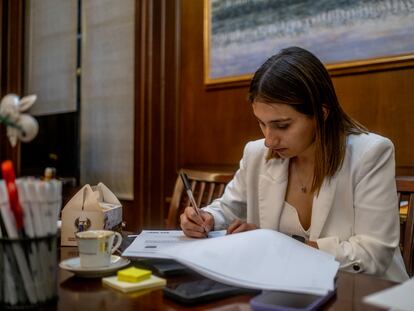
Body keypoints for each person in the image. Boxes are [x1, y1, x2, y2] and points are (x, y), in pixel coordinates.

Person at [180, 46, 408, 282]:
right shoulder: (256, 153)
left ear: (321, 113)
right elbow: (227, 208)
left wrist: (277, 244)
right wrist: (205, 218)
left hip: (363, 294)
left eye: (282, 125)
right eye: (262, 123)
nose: (269, 140)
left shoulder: (370, 154)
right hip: (287, 290)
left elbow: (372, 255)